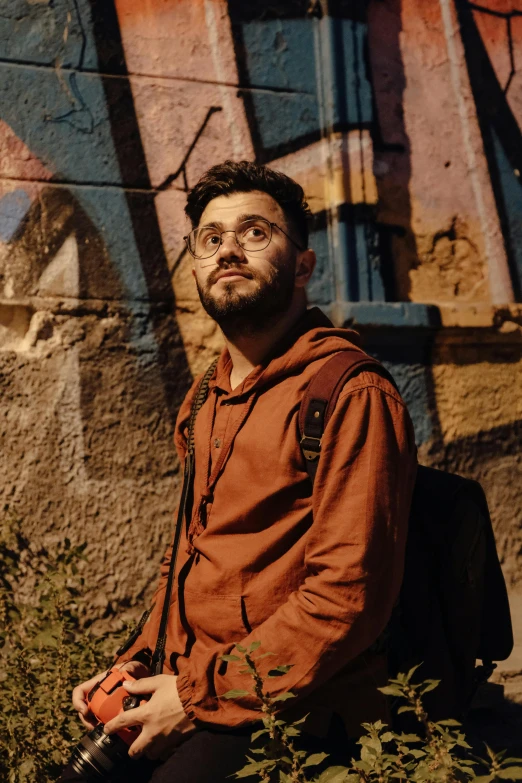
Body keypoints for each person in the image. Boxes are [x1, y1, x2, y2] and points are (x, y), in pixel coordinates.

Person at [60, 161, 417, 782]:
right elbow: (192, 558)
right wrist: (138, 663)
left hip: (296, 703)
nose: (228, 250)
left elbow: (346, 599)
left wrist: (196, 697)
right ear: (196, 266)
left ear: (303, 265)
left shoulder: (349, 393)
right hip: (195, 679)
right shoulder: (204, 398)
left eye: (256, 233)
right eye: (211, 238)